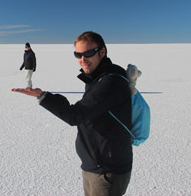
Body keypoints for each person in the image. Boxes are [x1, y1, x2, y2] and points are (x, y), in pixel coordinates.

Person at [12, 31, 132, 196]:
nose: (83, 59)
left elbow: (76, 115)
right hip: (95, 164)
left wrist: (43, 97)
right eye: (78, 54)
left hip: (107, 169)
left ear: (102, 52)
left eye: (88, 53)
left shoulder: (110, 82)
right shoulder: (98, 76)